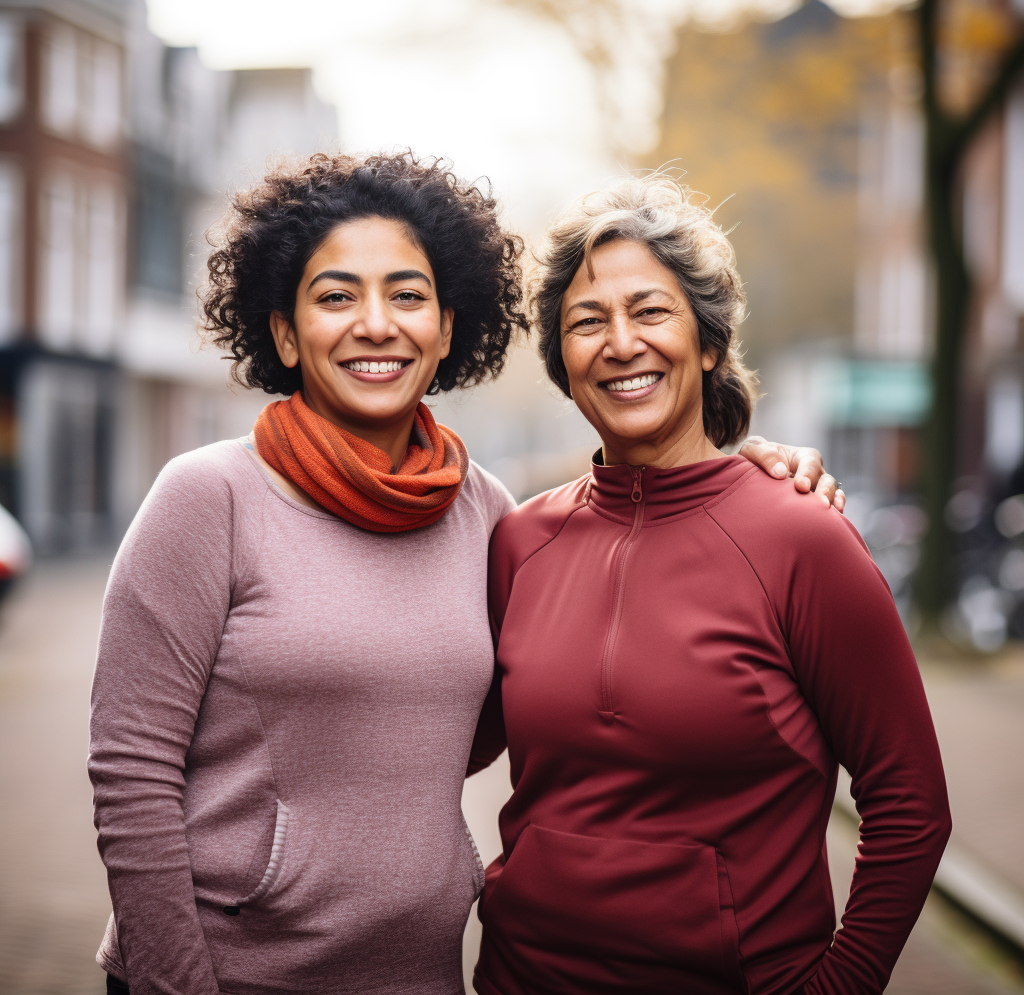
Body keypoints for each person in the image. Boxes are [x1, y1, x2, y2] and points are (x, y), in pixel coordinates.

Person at [89, 152, 838, 995]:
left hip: (423, 973)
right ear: (285, 333)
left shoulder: (488, 516)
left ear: (447, 328)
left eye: (407, 296)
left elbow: (503, 713)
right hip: (232, 975)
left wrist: (749, 477)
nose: (377, 323)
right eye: (336, 296)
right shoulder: (207, 498)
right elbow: (130, 775)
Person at [470, 174, 951, 995]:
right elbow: (441, 737)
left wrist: (842, 985)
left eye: (651, 311)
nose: (621, 342)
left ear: (710, 343)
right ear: (564, 363)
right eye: (587, 322)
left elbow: (910, 805)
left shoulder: (802, 537)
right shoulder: (520, 540)